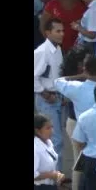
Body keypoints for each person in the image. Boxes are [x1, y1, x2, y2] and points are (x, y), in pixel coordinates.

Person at [35, 18, 65, 171]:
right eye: (58, 31)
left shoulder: (58, 49)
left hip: (58, 97)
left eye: (62, 31)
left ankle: (55, 174)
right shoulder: (41, 51)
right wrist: (45, 94)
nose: (62, 34)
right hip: (46, 99)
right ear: (48, 33)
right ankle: (53, 175)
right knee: (54, 139)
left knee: (56, 139)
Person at [35, 113, 65, 189]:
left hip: (51, 185)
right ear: (37, 131)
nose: (52, 131)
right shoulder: (35, 148)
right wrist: (51, 175)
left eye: (52, 127)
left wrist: (57, 175)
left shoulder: (48, 142)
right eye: (48, 128)